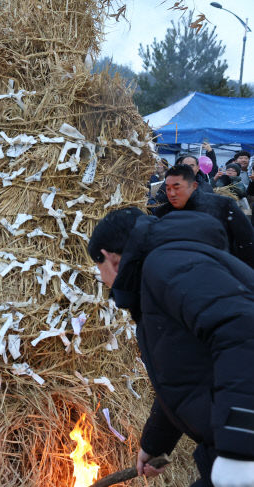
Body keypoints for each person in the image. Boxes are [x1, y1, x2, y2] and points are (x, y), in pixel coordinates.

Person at [88, 208, 254, 487]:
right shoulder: (162, 274)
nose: (103, 281)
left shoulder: (168, 266)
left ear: (110, 258)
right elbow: (184, 375)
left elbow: (243, 331)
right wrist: (155, 444)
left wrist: (239, 450)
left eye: (98, 268)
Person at [152, 164, 254, 268]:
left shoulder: (223, 205)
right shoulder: (163, 213)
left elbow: (247, 242)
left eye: (177, 187)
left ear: (194, 186)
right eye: (168, 189)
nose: (172, 193)